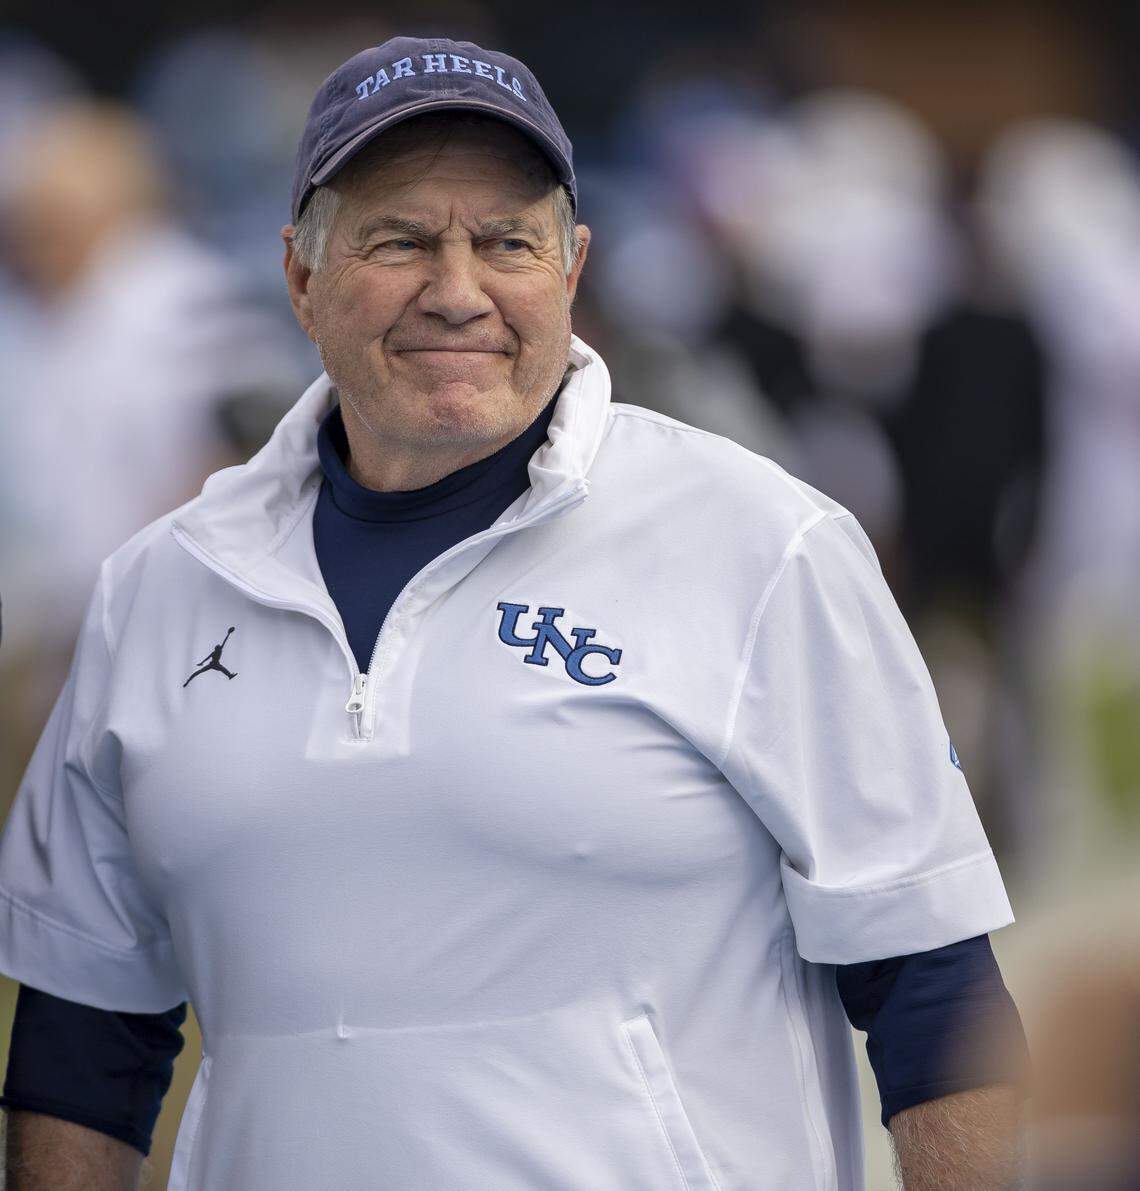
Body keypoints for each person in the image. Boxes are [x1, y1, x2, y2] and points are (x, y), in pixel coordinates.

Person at [0, 36, 1029, 1191]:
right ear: (301, 277)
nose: (458, 292)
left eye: (507, 242)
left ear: (572, 267)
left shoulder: (763, 545)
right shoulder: (157, 589)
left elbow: (934, 996)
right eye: (400, 241)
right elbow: (82, 1041)